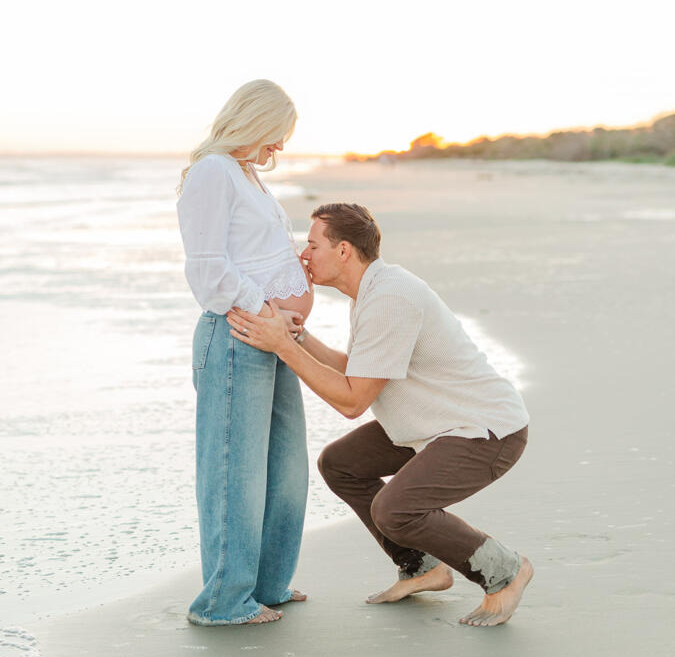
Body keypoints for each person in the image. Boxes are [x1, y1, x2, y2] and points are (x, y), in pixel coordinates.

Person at [227, 202, 533, 628]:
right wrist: (299, 334)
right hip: (435, 423)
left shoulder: (390, 297)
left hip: (485, 431)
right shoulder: (373, 290)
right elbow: (358, 367)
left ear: (344, 251)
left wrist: (283, 345)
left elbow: (352, 401)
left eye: (313, 245)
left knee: (396, 510)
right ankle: (422, 567)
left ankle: (505, 571)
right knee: (342, 464)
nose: (304, 256)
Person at [176, 79, 313, 626]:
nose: (279, 147)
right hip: (237, 335)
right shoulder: (212, 171)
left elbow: (256, 253)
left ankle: (269, 584)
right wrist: (268, 308)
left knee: (286, 467)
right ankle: (223, 601)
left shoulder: (246, 175)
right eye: (276, 134)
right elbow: (207, 269)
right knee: (234, 470)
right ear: (253, 121)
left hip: (272, 337)